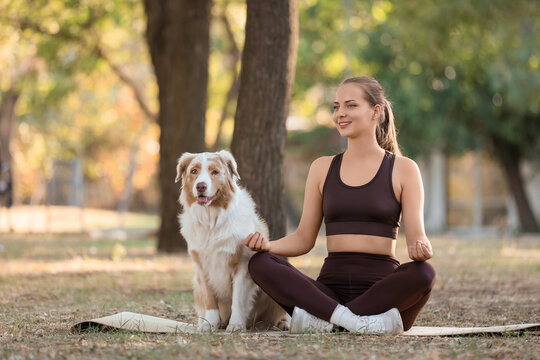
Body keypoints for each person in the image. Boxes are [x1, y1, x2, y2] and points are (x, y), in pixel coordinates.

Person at [244, 76, 436, 334]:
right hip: (327, 292)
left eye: (351, 105)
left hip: (380, 291)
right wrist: (267, 246)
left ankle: (330, 321)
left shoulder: (403, 169)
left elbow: (418, 238)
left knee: (424, 274)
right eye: (336, 107)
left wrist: (421, 248)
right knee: (260, 263)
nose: (340, 114)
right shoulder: (322, 167)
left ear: (375, 112)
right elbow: (303, 238)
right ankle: (355, 323)